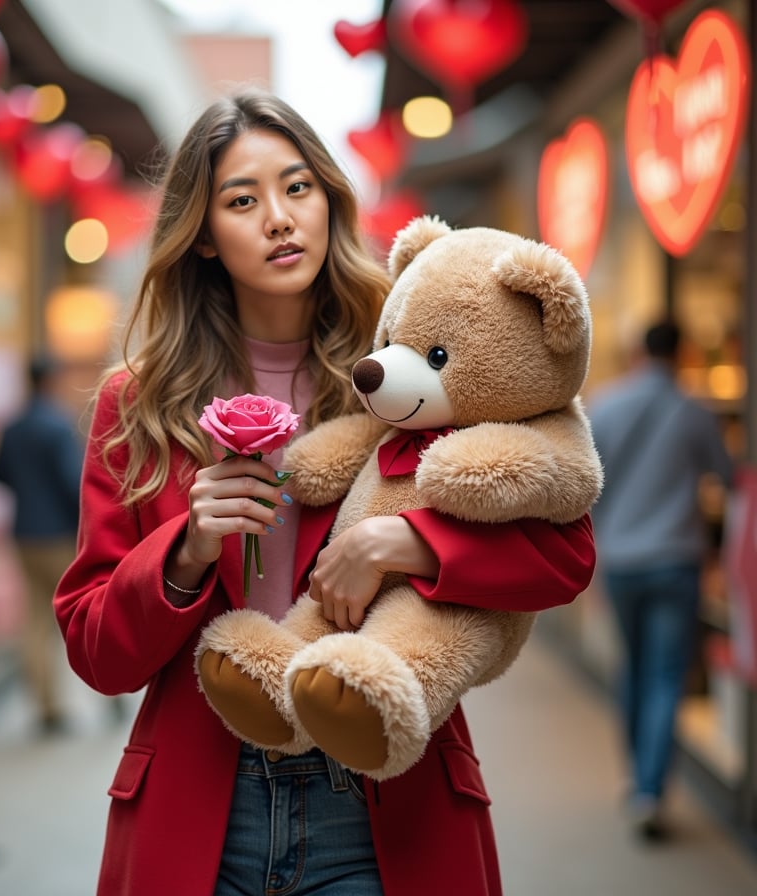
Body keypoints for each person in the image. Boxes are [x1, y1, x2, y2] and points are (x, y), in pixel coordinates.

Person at [53, 89, 597, 896]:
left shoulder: (413, 361)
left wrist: (410, 544)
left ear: (329, 201)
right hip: (204, 802)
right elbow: (97, 652)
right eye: (243, 200)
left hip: (383, 799)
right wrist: (186, 551)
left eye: (297, 187)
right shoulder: (137, 405)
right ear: (202, 236)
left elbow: (565, 556)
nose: (279, 217)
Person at [588, 319, 734, 841]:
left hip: (622, 561)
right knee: (666, 674)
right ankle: (650, 790)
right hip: (676, 560)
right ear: (682, 353)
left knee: (634, 667)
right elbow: (728, 475)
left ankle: (638, 779)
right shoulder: (694, 411)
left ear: (637, 352)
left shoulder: (604, 405)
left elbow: (587, 487)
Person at [0, 353, 84, 734]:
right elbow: (72, 482)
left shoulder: (12, 426)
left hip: (23, 533)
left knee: (34, 620)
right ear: (51, 380)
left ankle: (46, 706)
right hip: (59, 535)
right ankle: (110, 697)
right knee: (78, 613)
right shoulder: (58, 426)